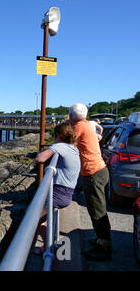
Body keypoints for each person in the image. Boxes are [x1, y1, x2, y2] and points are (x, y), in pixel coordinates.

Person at [69, 103, 111, 261]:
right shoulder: (85, 123)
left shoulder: (79, 126)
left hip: (93, 173)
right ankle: (101, 239)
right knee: (97, 208)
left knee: (97, 211)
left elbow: (67, 143)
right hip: (98, 171)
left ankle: (104, 247)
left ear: (71, 116)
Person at [32, 121, 81, 254]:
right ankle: (46, 245)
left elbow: (40, 158)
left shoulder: (60, 146)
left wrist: (50, 148)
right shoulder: (73, 148)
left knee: (32, 219)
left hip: (59, 193)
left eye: (54, 135)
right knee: (37, 219)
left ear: (59, 135)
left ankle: (41, 249)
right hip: (66, 192)